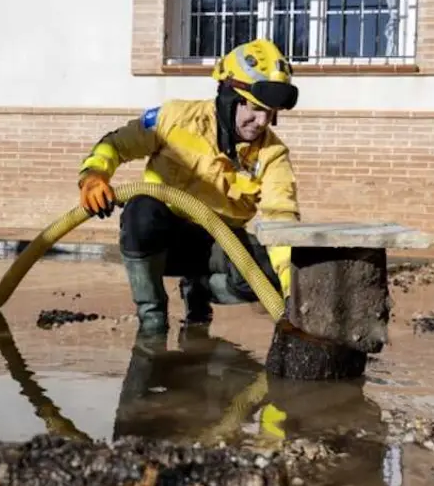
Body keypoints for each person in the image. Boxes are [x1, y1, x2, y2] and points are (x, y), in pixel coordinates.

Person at [77, 38, 301, 337]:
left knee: (270, 272)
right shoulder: (175, 118)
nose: (263, 122)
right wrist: (94, 176)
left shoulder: (272, 155)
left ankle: (199, 290)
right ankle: (152, 318)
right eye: (255, 109)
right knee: (140, 210)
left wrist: (290, 298)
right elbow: (115, 144)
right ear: (229, 94)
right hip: (164, 238)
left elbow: (281, 222)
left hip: (218, 244)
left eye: (271, 113)